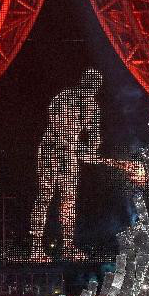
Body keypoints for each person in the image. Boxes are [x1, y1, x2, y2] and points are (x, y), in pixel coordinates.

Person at [29, 69, 102, 261]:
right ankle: (36, 247)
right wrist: (77, 145)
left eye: (94, 88)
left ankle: (68, 246)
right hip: (50, 149)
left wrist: (92, 149)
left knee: (69, 201)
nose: (90, 90)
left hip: (69, 155)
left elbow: (94, 136)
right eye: (88, 85)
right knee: (45, 195)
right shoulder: (65, 97)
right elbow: (57, 124)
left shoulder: (93, 108)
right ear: (83, 83)